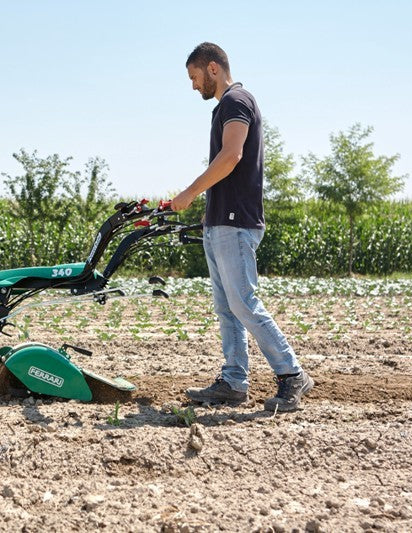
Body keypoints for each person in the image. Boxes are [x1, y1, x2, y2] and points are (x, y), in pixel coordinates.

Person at [171, 42, 313, 412]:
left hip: (235, 221)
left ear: (213, 69)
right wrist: (208, 213)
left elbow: (231, 156)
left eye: (194, 77)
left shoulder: (237, 101)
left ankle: (292, 374)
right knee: (227, 307)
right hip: (220, 221)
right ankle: (234, 382)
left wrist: (189, 192)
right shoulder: (224, 107)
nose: (193, 85)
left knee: (243, 302)